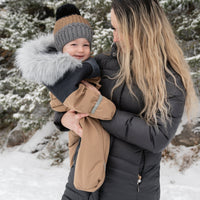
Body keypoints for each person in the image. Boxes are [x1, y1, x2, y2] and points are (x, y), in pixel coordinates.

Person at [58, 0, 198, 200]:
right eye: (112, 28)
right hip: (82, 183)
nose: (114, 37)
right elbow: (65, 92)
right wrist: (63, 118)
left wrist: (101, 110)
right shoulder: (101, 64)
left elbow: (157, 137)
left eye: (119, 29)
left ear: (140, 29)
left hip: (130, 190)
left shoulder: (169, 79)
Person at [15, 3, 116, 194]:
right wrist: (108, 109)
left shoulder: (80, 66)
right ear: (61, 48)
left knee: (83, 153)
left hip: (79, 119)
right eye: (73, 44)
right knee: (89, 153)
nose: (81, 49)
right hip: (86, 117)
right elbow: (77, 98)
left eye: (86, 44)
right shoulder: (64, 70)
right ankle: (87, 186)